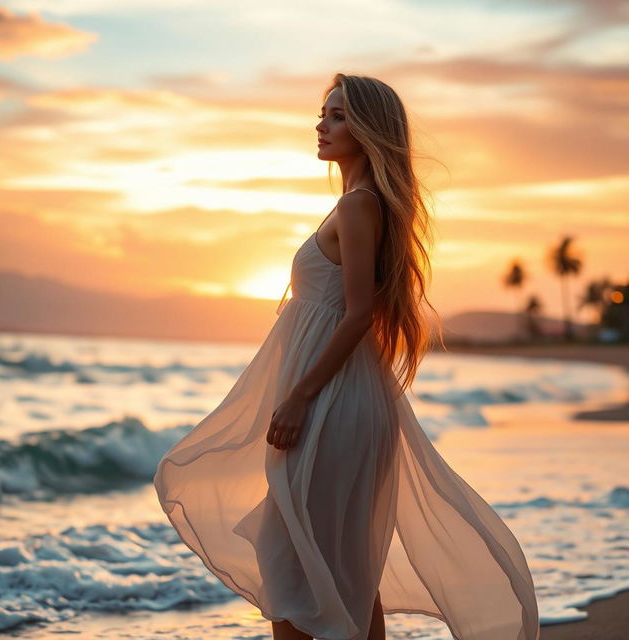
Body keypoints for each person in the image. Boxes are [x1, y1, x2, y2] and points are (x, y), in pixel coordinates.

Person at [153, 73, 540, 640]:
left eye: (336, 115)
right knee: (340, 571)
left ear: (368, 130)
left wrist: (300, 397)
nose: (321, 124)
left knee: (293, 558)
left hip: (331, 404)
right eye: (323, 112)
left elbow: (359, 314)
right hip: (343, 399)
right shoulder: (356, 205)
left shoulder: (360, 206)